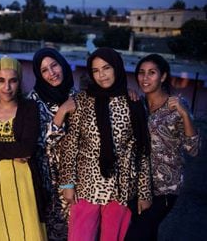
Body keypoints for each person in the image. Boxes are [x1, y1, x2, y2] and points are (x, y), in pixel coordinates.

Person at [58, 47, 152, 241]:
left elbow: (141, 151)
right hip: (86, 185)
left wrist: (144, 192)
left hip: (121, 187)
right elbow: (69, 145)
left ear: (116, 68)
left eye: (106, 68)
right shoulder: (81, 101)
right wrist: (68, 183)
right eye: (96, 70)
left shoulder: (133, 102)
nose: (101, 75)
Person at [125, 54, 200, 241]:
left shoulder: (176, 105)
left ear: (163, 76)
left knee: (138, 232)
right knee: (147, 232)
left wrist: (185, 115)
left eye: (152, 73)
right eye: (141, 73)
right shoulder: (138, 104)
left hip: (166, 186)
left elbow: (194, 149)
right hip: (138, 183)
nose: (145, 78)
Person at [0, 56, 46, 241]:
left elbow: (27, 149)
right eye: (1, 81)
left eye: (13, 80)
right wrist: (13, 151)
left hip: (22, 186)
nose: (7, 87)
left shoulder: (29, 108)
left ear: (19, 82)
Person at [27, 47, 76, 240]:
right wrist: (61, 113)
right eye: (44, 70)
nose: (51, 73)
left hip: (76, 177)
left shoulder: (76, 94)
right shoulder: (33, 100)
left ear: (62, 64)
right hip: (49, 180)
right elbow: (38, 141)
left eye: (54, 65)